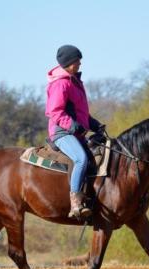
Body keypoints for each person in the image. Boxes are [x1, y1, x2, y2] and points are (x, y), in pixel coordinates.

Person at [45, 45, 104, 219]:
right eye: (77, 60)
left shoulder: (74, 82)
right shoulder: (61, 83)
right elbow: (54, 112)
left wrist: (95, 125)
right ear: (68, 62)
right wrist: (72, 126)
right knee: (81, 159)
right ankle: (76, 203)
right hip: (61, 133)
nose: (80, 63)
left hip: (75, 133)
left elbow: (81, 114)